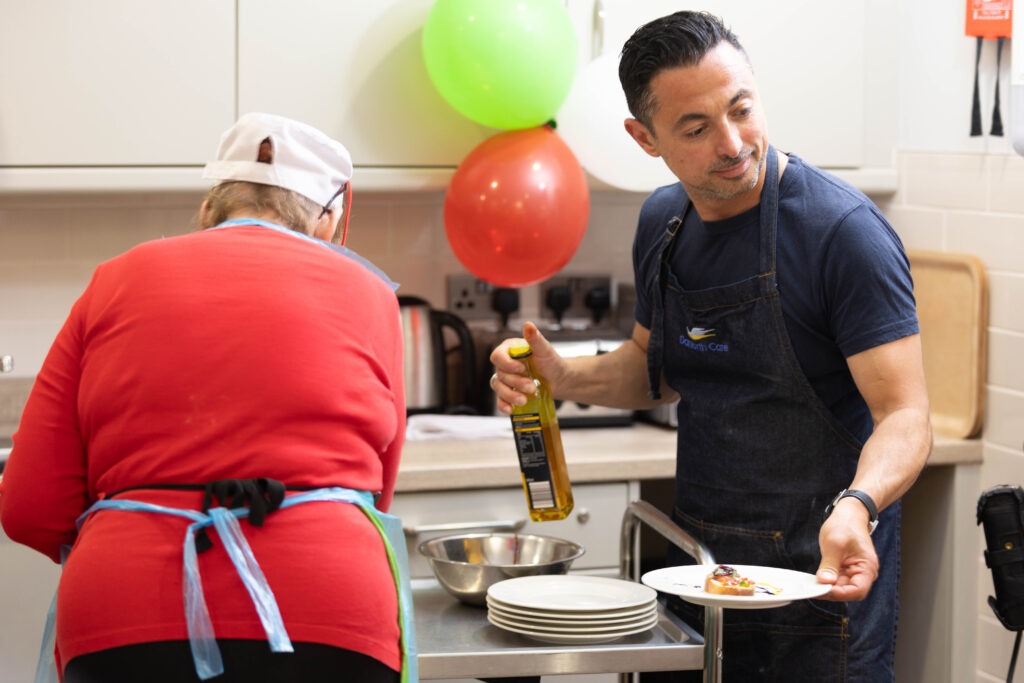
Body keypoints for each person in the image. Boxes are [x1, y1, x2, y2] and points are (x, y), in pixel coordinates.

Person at [490, 11, 932, 683]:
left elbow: (906, 414)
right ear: (645, 138)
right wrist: (560, 375)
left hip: (817, 583)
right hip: (698, 576)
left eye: (741, 109)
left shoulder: (843, 233)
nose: (732, 143)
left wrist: (858, 504)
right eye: (696, 129)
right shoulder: (662, 223)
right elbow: (652, 370)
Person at [0, 112, 413, 683]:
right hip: (331, 615)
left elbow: (28, 508)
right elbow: (373, 497)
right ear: (326, 224)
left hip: (124, 616)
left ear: (208, 209)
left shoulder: (114, 280)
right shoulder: (369, 293)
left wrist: (132, 532)